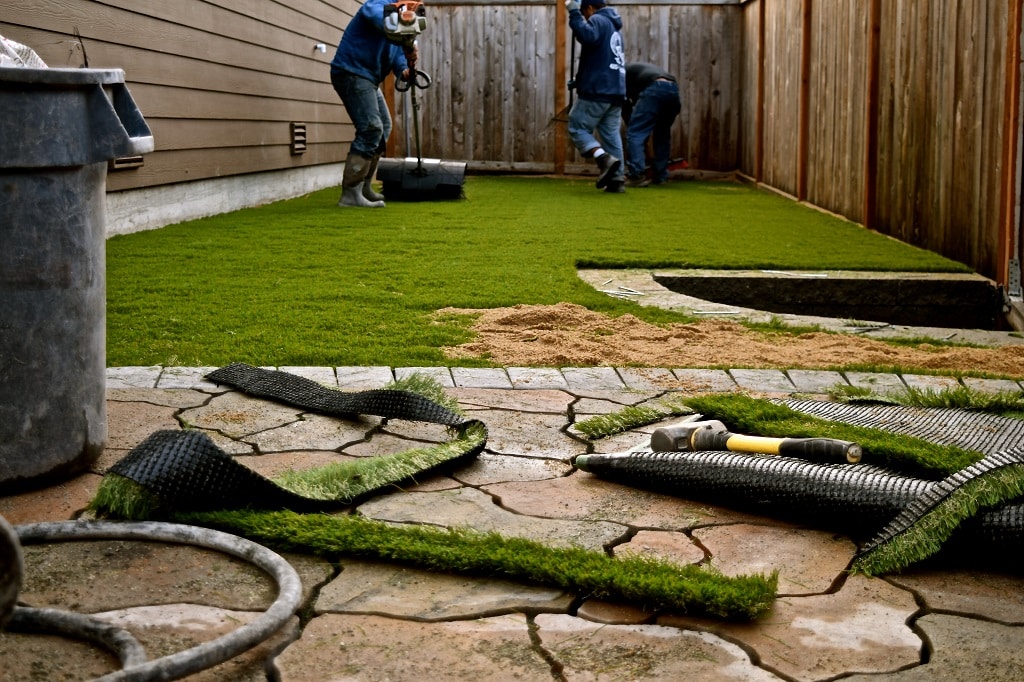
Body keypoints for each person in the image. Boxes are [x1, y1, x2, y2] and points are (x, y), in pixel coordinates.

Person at [330, 1, 419, 208]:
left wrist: (406, 69)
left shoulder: (399, 21)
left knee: (383, 127)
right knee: (371, 128)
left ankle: (363, 187)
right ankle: (350, 193)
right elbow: (381, 19)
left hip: (367, 78)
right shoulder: (378, 4)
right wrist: (407, 38)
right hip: (350, 71)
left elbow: (398, 60)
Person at [565, 0, 627, 193]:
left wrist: (574, 13)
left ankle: (603, 158)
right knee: (611, 135)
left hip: (598, 90)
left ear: (590, 8)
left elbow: (586, 35)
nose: (585, 18)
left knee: (577, 126)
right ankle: (617, 180)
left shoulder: (599, 20)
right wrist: (580, 80)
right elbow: (601, 58)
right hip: (615, 91)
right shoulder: (614, 28)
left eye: (585, 13)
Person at [623, 62, 682, 187]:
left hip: (654, 88)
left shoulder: (621, 75)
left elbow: (626, 106)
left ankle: (637, 175)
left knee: (635, 134)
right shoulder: (636, 71)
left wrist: (633, 127)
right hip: (673, 89)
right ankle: (661, 175)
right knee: (662, 133)